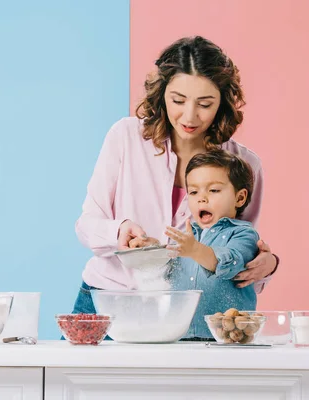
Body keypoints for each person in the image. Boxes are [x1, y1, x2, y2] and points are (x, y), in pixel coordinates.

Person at [72, 35, 279, 315]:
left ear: (223, 102)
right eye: (178, 100)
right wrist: (119, 230)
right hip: (107, 299)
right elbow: (87, 224)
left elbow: (239, 248)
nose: (189, 116)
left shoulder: (244, 163)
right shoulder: (126, 137)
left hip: (183, 314)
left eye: (205, 104)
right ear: (162, 93)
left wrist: (267, 266)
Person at [164, 149, 259, 340]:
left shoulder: (243, 234)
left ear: (239, 198)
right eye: (193, 191)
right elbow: (163, 274)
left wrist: (195, 251)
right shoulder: (186, 238)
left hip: (227, 338)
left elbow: (229, 264)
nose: (201, 198)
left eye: (214, 190)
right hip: (178, 337)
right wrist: (150, 250)